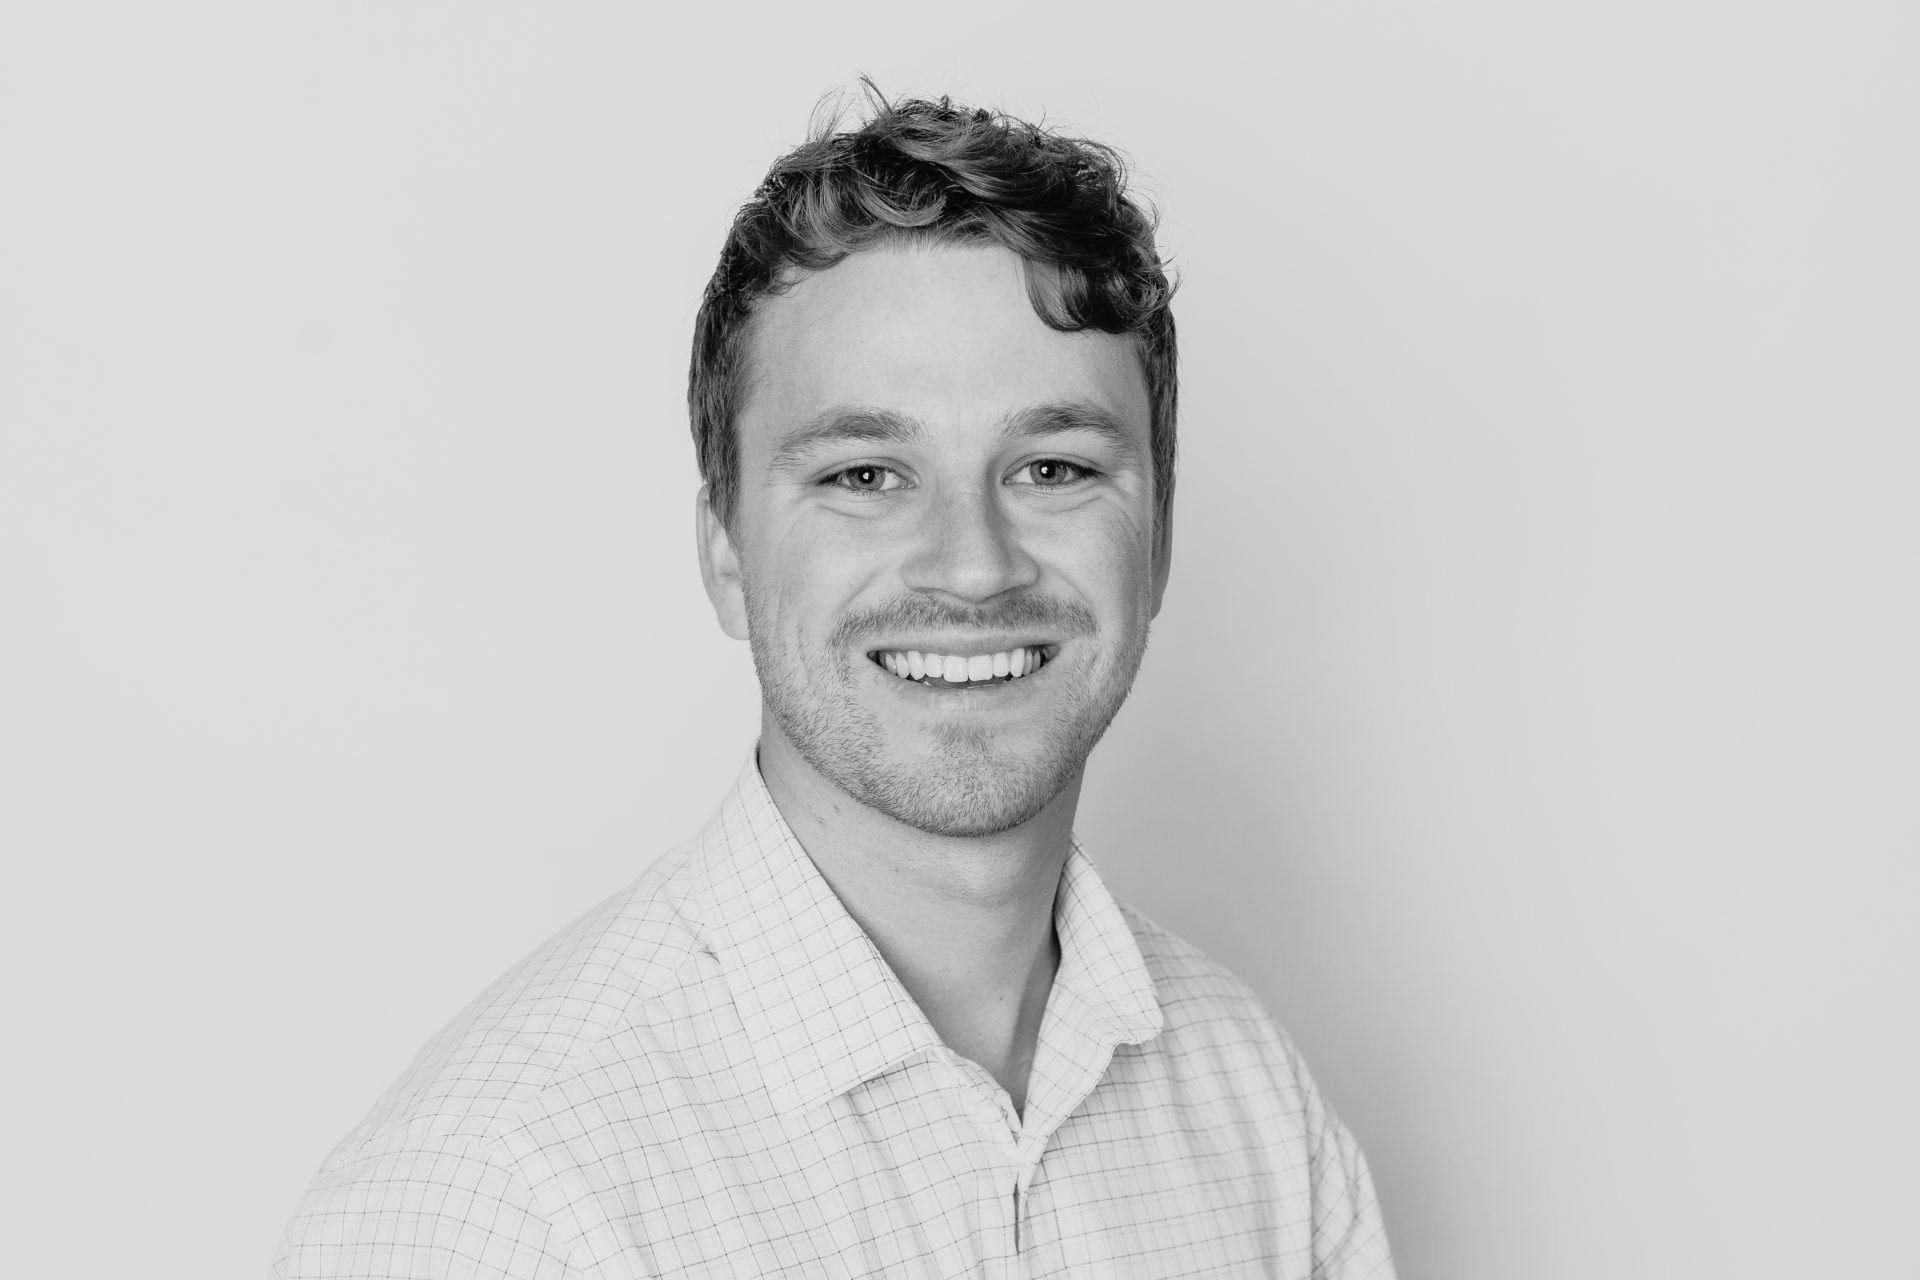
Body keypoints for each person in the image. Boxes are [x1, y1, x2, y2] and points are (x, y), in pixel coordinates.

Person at [271, 88, 1396, 1279]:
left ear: (1156, 542)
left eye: (1053, 467)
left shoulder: (1251, 1101)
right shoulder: (496, 1203)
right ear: (725, 552)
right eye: (865, 474)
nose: (973, 565)